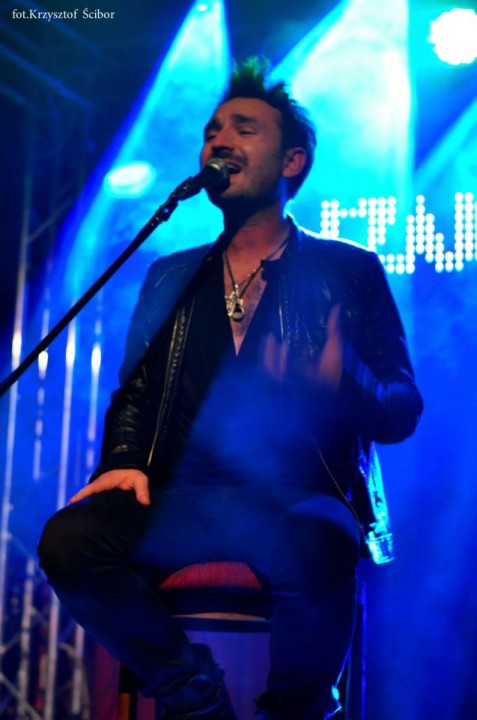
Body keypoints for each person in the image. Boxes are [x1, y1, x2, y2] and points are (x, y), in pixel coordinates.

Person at [38, 58, 423, 720]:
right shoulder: (171, 275)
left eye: (244, 129)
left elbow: (402, 408)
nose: (219, 140)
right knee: (69, 541)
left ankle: (295, 711)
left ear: (292, 161)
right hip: (181, 498)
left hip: (299, 497)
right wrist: (124, 458)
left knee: (322, 539)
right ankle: (193, 694)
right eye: (212, 130)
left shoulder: (348, 269)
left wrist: (343, 381)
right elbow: (135, 390)